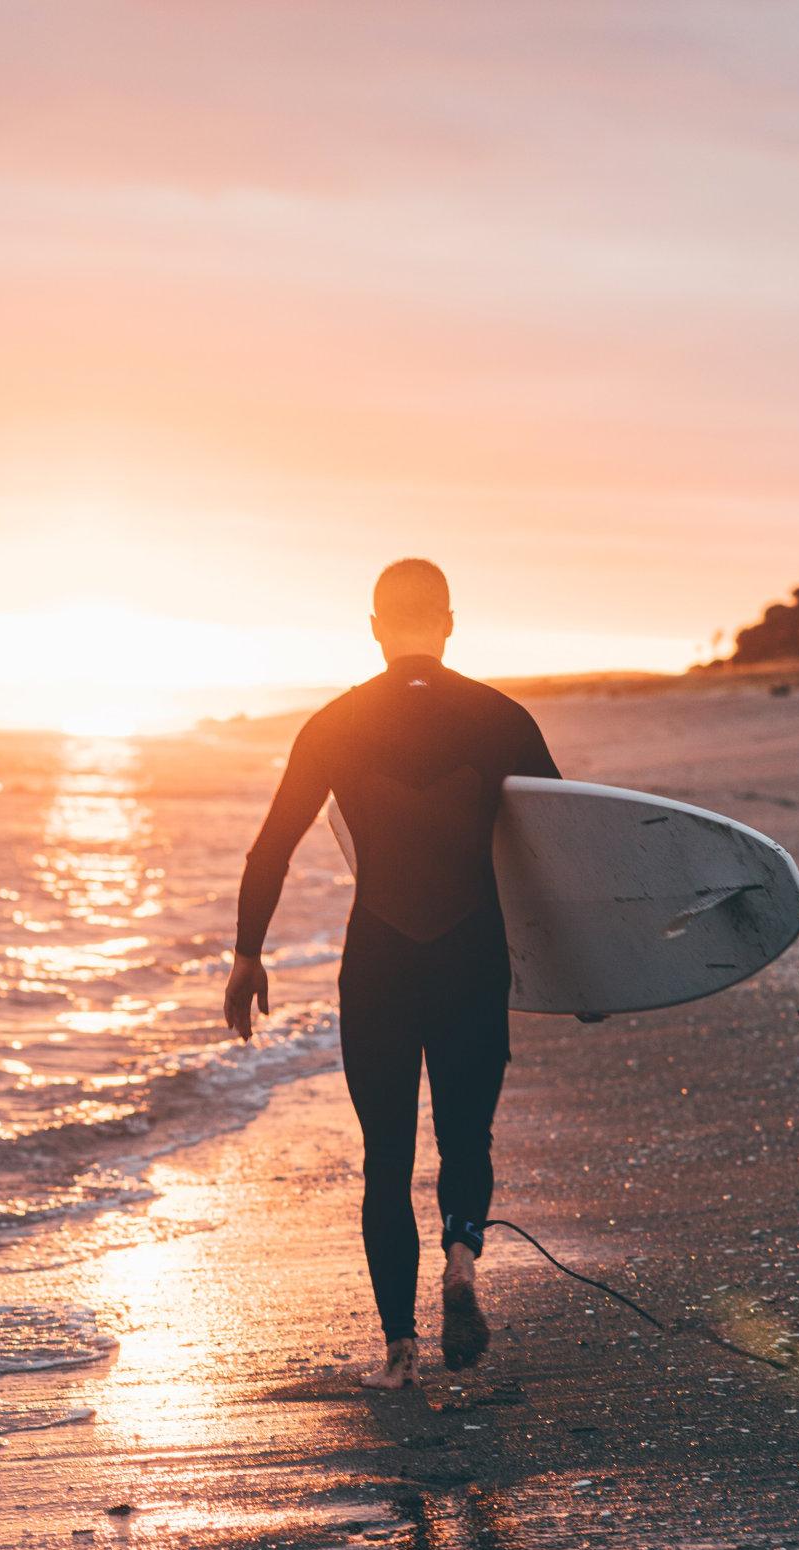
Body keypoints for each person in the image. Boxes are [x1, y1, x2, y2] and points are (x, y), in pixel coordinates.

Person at [224, 559, 560, 1389]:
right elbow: (559, 847)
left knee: (385, 1156)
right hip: (471, 955)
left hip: (378, 960)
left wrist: (247, 955)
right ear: (448, 621)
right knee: (466, 1137)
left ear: (375, 627)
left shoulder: (334, 725)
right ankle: (461, 1263)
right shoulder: (499, 718)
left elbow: (272, 846)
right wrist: (580, 970)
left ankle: (401, 1355)